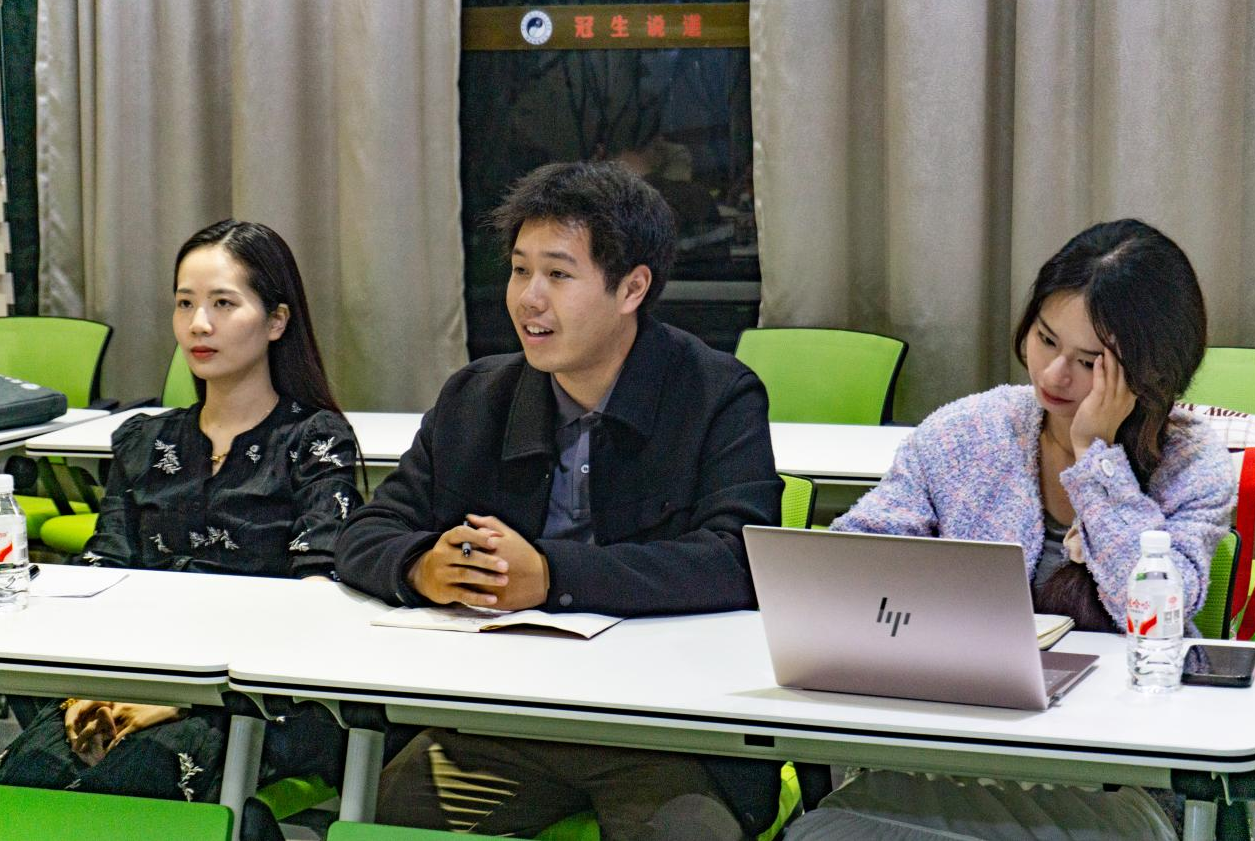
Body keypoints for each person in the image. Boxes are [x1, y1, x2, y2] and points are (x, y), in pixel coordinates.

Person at [335, 161, 783, 841]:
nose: (528, 299)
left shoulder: (716, 393)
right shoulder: (476, 397)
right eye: (520, 271)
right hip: (505, 716)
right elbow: (369, 530)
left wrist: (551, 575)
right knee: (377, 817)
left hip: (665, 725)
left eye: (558, 274)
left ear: (631, 287)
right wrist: (422, 566)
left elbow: (740, 560)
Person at [787, 219, 1235, 840]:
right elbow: (854, 561)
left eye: (1089, 363)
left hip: (1114, 778)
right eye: (1045, 340)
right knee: (822, 832)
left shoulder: (1191, 462)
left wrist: (1097, 460)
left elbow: (1161, 609)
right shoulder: (966, 431)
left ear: (1150, 373)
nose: (1054, 375)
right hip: (950, 758)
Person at [0, 220, 362, 814]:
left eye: (223, 304)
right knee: (25, 781)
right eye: (185, 303)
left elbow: (315, 599)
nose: (198, 324)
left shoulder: (313, 439)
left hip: (257, 698)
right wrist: (91, 688)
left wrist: (178, 696)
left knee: (127, 792)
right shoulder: (145, 441)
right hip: (130, 676)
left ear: (276, 320)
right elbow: (103, 573)